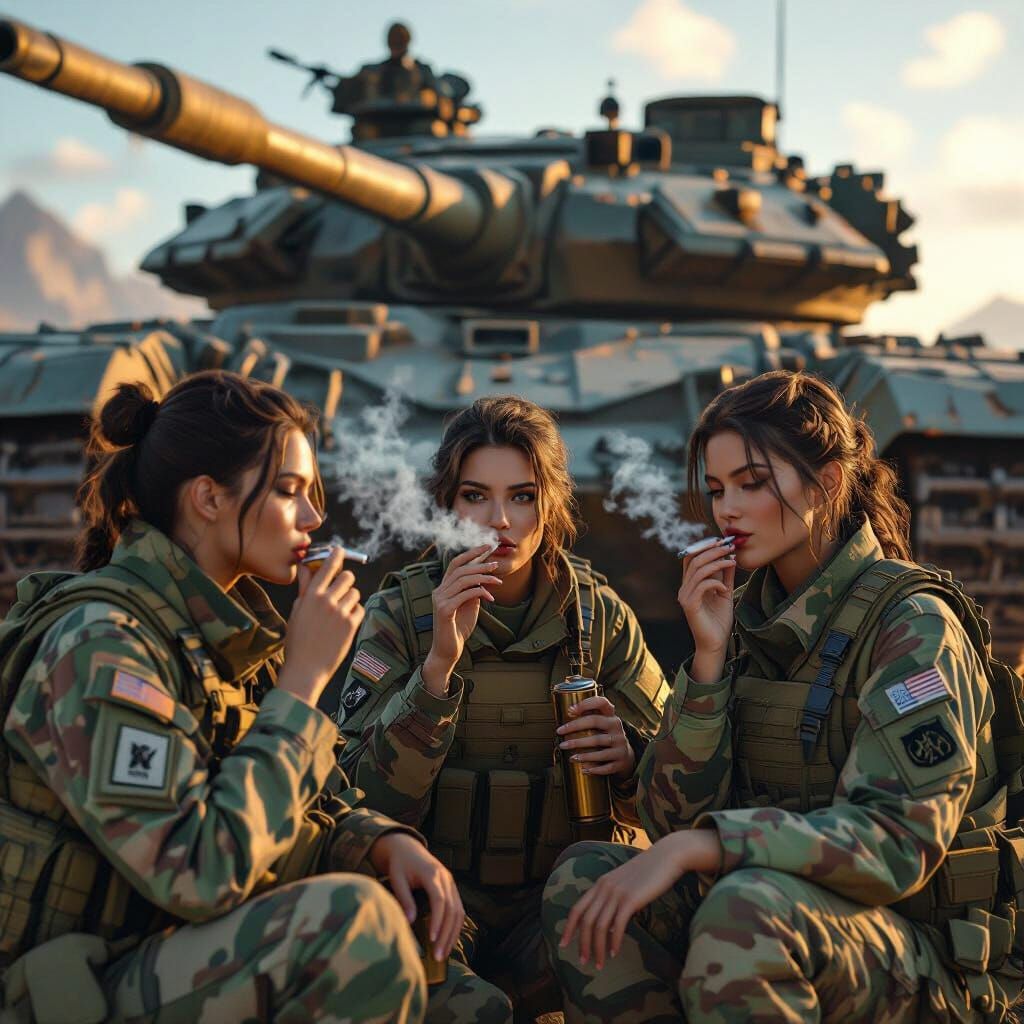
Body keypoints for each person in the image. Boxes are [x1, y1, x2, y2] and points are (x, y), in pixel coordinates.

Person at [0, 370, 509, 1023]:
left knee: (470, 1004)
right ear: (209, 498)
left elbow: (306, 801)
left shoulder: (223, 639)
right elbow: (201, 873)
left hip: (165, 957)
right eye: (290, 491)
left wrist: (382, 843)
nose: (314, 518)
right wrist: (302, 684)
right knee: (352, 929)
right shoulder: (102, 649)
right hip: (69, 989)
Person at [543, 370, 1024, 1022]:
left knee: (746, 914)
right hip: (791, 912)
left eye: (753, 483)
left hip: (927, 956)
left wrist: (702, 846)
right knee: (588, 880)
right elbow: (669, 823)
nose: (727, 510)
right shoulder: (743, 622)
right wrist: (707, 665)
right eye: (716, 490)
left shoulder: (911, 627)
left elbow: (895, 843)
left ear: (825, 483)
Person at [336, 395, 669, 1021]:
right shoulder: (401, 618)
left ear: (551, 503)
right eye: (474, 496)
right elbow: (359, 806)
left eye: (521, 496)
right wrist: (436, 669)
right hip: (434, 904)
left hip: (561, 910)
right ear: (446, 505)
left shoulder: (599, 620)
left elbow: (679, 805)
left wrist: (630, 760)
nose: (500, 521)